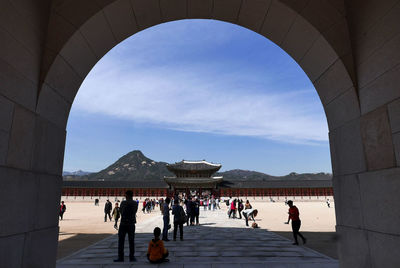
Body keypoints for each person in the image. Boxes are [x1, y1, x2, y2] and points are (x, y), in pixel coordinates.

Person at [114, 190, 138, 262]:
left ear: (127, 195)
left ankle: (121, 257)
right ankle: (132, 257)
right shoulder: (135, 203)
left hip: (123, 223)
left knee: (121, 241)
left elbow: (121, 211)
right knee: (131, 240)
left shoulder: (123, 203)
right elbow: (135, 211)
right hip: (131, 223)